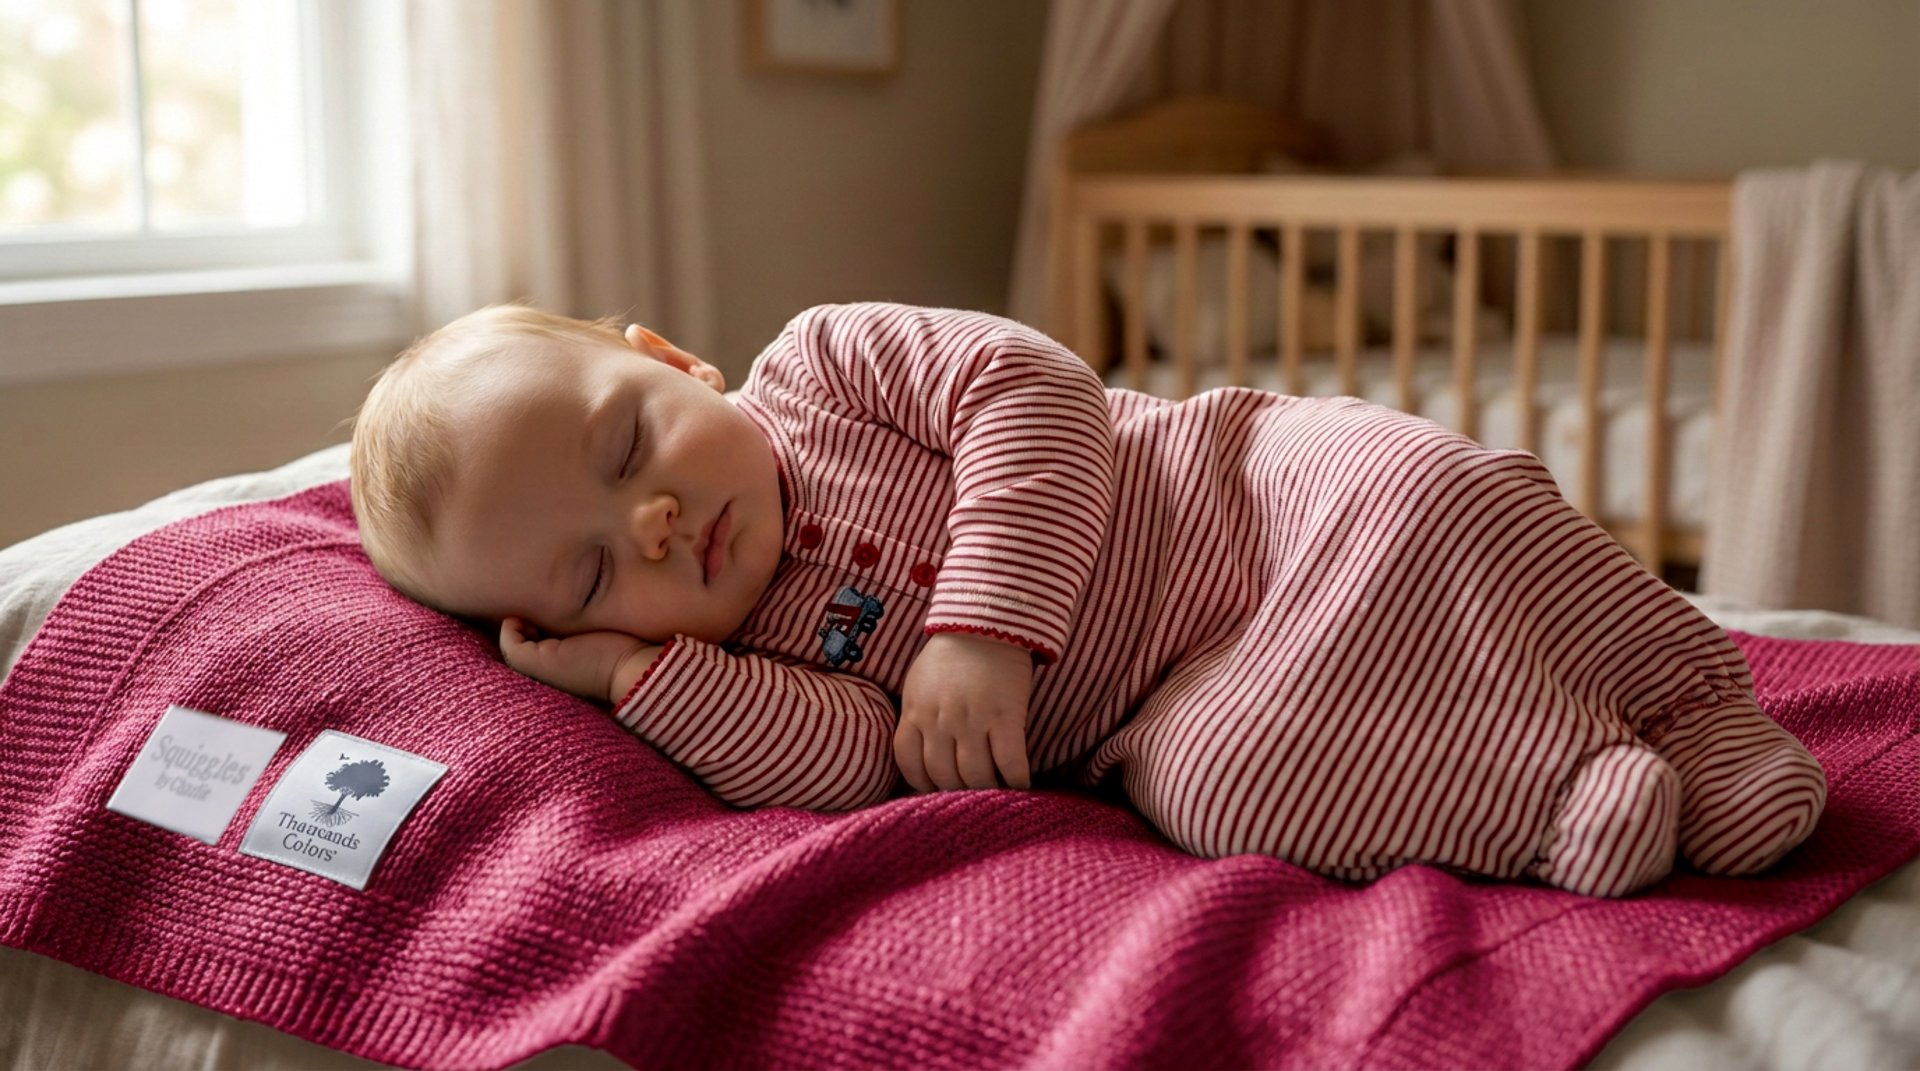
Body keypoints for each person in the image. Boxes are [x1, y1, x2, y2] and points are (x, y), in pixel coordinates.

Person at [349, 302, 1826, 897]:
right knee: (1229, 788)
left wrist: (983, 632)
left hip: (1243, 489)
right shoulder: (735, 658)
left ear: (671, 358)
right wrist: (633, 680)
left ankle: (1698, 712)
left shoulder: (826, 367)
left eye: (625, 448)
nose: (656, 523)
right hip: (1183, 689)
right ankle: (1565, 792)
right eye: (598, 570)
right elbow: (862, 767)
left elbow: (1039, 391)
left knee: (1433, 491)